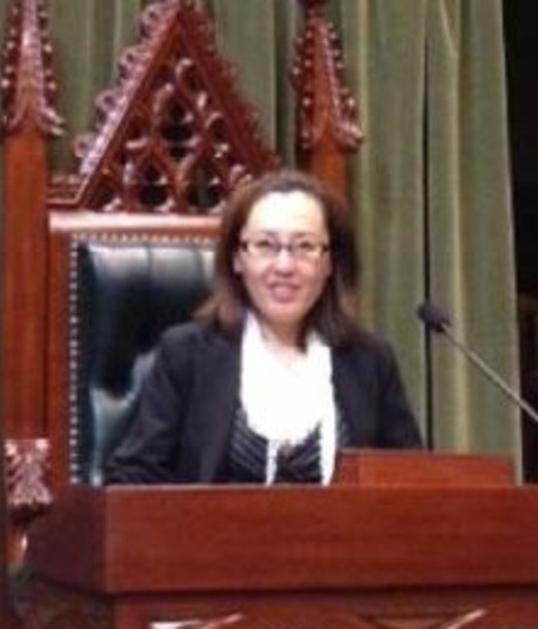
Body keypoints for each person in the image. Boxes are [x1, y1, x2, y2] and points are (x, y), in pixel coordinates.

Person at [104, 169, 423, 485]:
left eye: (305, 246)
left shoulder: (370, 361)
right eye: (266, 245)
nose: (284, 266)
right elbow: (131, 480)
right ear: (237, 258)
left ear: (329, 263)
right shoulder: (186, 354)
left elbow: (410, 485)